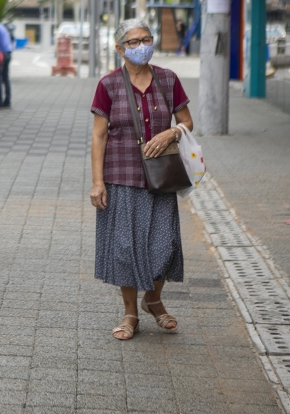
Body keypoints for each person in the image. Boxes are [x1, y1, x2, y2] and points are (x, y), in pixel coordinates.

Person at [89, 18, 194, 340]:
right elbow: (99, 137)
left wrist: (171, 132)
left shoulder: (168, 79)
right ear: (120, 49)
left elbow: (187, 121)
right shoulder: (108, 84)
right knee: (126, 248)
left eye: (146, 39)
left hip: (161, 176)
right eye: (133, 42)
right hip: (121, 176)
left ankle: (154, 301)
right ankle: (131, 312)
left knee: (164, 246)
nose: (141, 47)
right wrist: (97, 182)